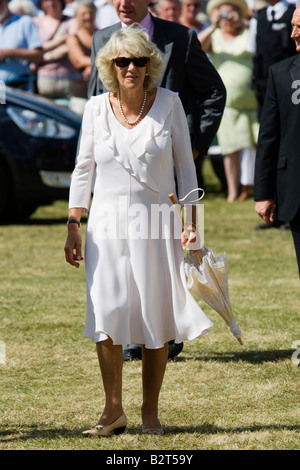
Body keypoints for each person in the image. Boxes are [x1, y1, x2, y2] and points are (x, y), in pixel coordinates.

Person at [64, 25, 213, 436]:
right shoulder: (95, 108)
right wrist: (74, 223)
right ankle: (113, 410)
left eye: (140, 60)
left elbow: (186, 169)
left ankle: (150, 412)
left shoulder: (170, 103)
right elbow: (83, 170)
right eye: (122, 61)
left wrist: (193, 227)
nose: (131, 68)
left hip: (156, 225)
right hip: (106, 226)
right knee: (106, 311)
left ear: (151, 65)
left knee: (154, 315)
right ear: (110, 67)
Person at [87, 0, 226, 361]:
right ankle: (130, 337)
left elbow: (214, 91)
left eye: (138, 61)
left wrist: (190, 148)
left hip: (163, 175)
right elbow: (94, 97)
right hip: (116, 190)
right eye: (122, 61)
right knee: (117, 278)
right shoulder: (101, 37)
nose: (123, 3)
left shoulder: (180, 38)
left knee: (159, 271)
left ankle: (162, 333)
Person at [254, 2, 300, 275]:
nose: (293, 34)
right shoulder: (280, 73)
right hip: (296, 191)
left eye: (299, 27)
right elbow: (268, 136)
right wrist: (263, 193)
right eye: (294, 26)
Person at [198, 0, 259, 202]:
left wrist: (244, 21)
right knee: (230, 150)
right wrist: (213, 25)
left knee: (259, 146)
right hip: (229, 105)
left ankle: (258, 190)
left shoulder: (248, 33)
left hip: (253, 102)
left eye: (230, 14)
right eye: (222, 14)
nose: (227, 18)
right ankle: (233, 192)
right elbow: (196, 46)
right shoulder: (213, 36)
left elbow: (264, 38)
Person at [33, 0, 77, 104]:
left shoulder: (72, 21)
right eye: (46, 1)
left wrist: (42, 56)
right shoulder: (35, 22)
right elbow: (35, 48)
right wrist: (60, 41)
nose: (51, 4)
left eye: (54, 0)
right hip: (43, 80)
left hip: (68, 78)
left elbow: (70, 47)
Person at [0, 0, 43, 91]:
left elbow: (38, 55)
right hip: (1, 89)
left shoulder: (25, 22)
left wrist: (8, 52)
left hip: (19, 87)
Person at [67, 0, 97, 115]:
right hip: (81, 95)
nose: (88, 17)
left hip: (102, 93)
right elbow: (79, 61)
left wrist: (92, 65)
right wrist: (98, 63)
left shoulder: (103, 35)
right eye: (84, 14)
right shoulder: (72, 38)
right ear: (77, 17)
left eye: (91, 13)